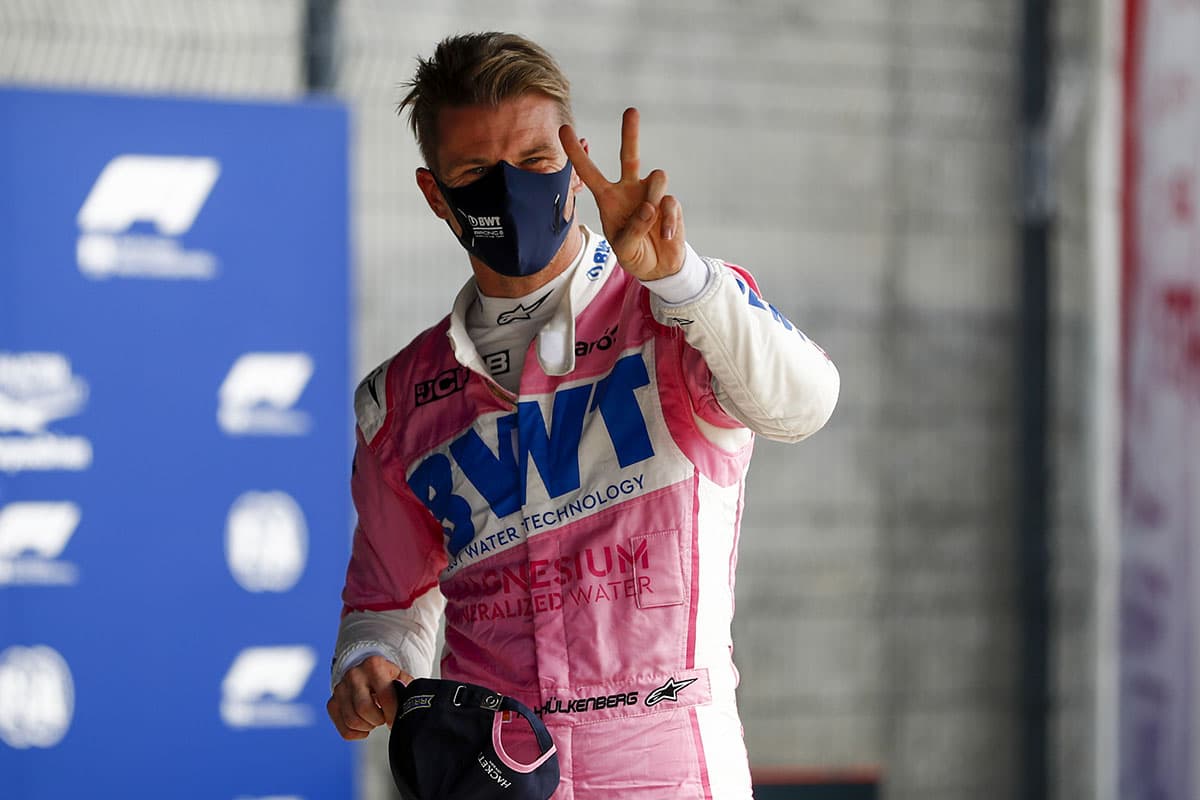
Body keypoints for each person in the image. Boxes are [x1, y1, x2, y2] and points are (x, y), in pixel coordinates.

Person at [326, 31, 840, 799]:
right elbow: (385, 606)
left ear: (574, 160)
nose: (511, 188)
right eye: (476, 172)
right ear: (437, 196)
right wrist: (367, 659)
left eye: (535, 162)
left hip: (671, 769)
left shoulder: (680, 313)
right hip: (496, 772)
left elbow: (806, 403)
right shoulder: (399, 399)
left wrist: (683, 280)